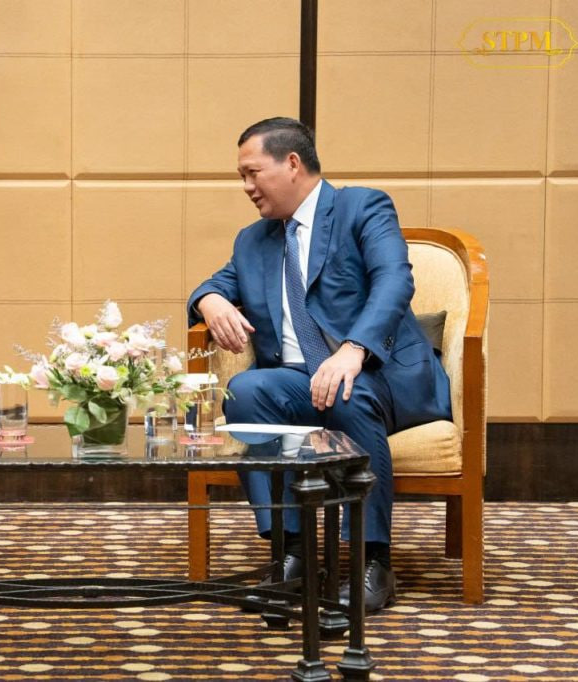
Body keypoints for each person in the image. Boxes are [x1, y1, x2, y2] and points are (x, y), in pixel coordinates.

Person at [187, 117, 451, 613]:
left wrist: (354, 349)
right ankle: (293, 554)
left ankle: (373, 562)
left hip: (381, 374)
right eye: (241, 176)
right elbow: (215, 284)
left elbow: (394, 281)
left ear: (292, 163)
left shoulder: (362, 208)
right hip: (299, 380)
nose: (246, 187)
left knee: (346, 390)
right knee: (245, 390)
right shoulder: (254, 240)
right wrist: (210, 301)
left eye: (252, 173)